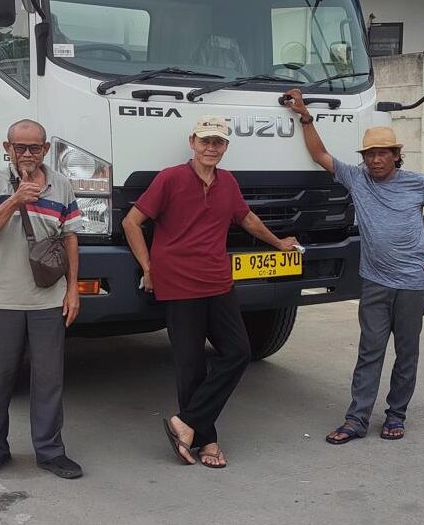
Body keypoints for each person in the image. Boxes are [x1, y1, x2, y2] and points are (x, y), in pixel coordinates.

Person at [122, 116, 300, 468]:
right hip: (178, 282)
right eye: (205, 141)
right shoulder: (170, 178)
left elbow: (246, 218)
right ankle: (207, 440)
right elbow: (131, 222)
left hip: (217, 280)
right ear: (193, 142)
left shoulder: (227, 182)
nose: (211, 148)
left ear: (225, 147)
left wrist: (278, 242)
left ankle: (185, 422)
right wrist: (148, 267)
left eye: (218, 142)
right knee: (190, 363)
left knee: (238, 352)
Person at [282, 89, 424, 444]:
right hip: (375, 281)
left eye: (382, 153)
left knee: (406, 352)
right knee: (369, 351)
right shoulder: (356, 179)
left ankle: (396, 415)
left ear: (396, 156)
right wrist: (305, 116)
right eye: (370, 154)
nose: (375, 160)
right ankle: (356, 420)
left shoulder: (417, 183)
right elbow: (320, 155)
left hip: (413, 282)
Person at [0, 118, 84, 479]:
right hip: (0, 299)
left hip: (48, 300)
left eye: (35, 147)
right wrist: (15, 199)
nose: (27, 154)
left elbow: (70, 238)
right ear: (7, 148)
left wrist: (72, 289)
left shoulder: (61, 185)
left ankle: (50, 452)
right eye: (19, 147)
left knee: (49, 380)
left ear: (46, 149)